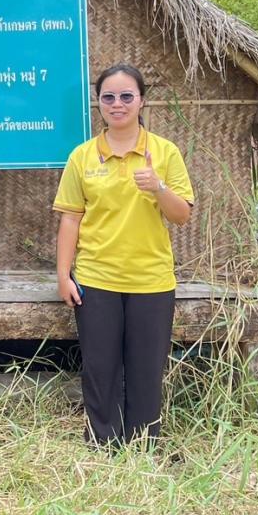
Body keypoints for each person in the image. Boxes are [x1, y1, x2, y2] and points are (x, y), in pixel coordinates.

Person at [53, 63, 194, 447]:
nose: (117, 104)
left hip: (151, 279)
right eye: (108, 97)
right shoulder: (82, 157)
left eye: (126, 96)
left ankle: (144, 443)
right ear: (98, 104)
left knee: (147, 368)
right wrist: (64, 275)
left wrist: (159, 187)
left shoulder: (164, 153)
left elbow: (181, 215)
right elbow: (70, 219)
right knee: (101, 368)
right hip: (97, 278)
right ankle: (104, 443)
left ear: (141, 101)